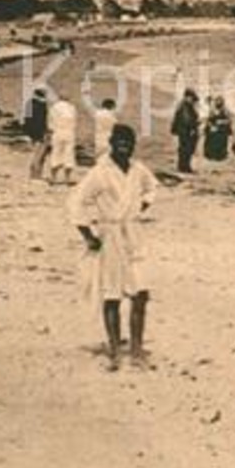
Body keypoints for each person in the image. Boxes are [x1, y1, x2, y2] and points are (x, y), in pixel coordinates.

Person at [70, 123, 158, 369]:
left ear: (133, 146)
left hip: (134, 235)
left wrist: (141, 206)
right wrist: (88, 235)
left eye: (129, 143)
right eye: (120, 142)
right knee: (112, 294)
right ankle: (114, 348)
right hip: (109, 236)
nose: (124, 147)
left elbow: (152, 188)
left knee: (141, 293)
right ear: (111, 143)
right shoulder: (100, 172)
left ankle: (137, 348)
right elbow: (76, 202)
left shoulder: (138, 170)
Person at [47, 90, 78, 185]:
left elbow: (50, 122)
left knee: (56, 153)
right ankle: (67, 178)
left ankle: (53, 177)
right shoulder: (72, 108)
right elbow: (75, 122)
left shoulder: (54, 107)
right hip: (69, 132)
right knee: (69, 154)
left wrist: (50, 132)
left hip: (58, 132)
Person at [23, 87, 51, 180]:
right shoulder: (42, 105)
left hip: (31, 132)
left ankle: (34, 174)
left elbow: (26, 120)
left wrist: (26, 133)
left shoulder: (28, 104)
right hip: (41, 132)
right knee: (40, 154)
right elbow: (43, 120)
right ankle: (36, 174)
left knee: (35, 153)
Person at [171, 89, 200, 173]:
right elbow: (187, 120)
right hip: (185, 131)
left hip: (184, 131)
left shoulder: (183, 105)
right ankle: (184, 167)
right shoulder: (184, 107)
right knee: (186, 149)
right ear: (188, 97)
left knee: (185, 149)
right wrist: (194, 126)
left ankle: (184, 166)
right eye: (192, 99)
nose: (193, 101)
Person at [203, 95, 232, 163]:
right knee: (211, 142)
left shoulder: (225, 110)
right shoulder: (212, 110)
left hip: (222, 130)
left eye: (220, 101)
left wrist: (222, 122)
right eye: (217, 101)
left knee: (221, 142)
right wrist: (210, 126)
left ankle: (220, 156)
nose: (218, 103)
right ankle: (210, 155)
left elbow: (229, 120)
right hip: (213, 129)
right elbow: (209, 119)